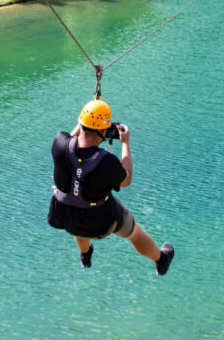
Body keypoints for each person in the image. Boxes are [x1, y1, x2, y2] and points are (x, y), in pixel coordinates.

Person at [48, 99, 175, 275]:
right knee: (134, 233)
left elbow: (71, 138)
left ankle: (85, 254)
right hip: (100, 223)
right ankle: (161, 260)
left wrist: (88, 117)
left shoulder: (59, 143)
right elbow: (127, 179)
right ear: (103, 131)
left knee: (76, 202)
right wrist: (125, 143)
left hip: (66, 218)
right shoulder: (107, 162)